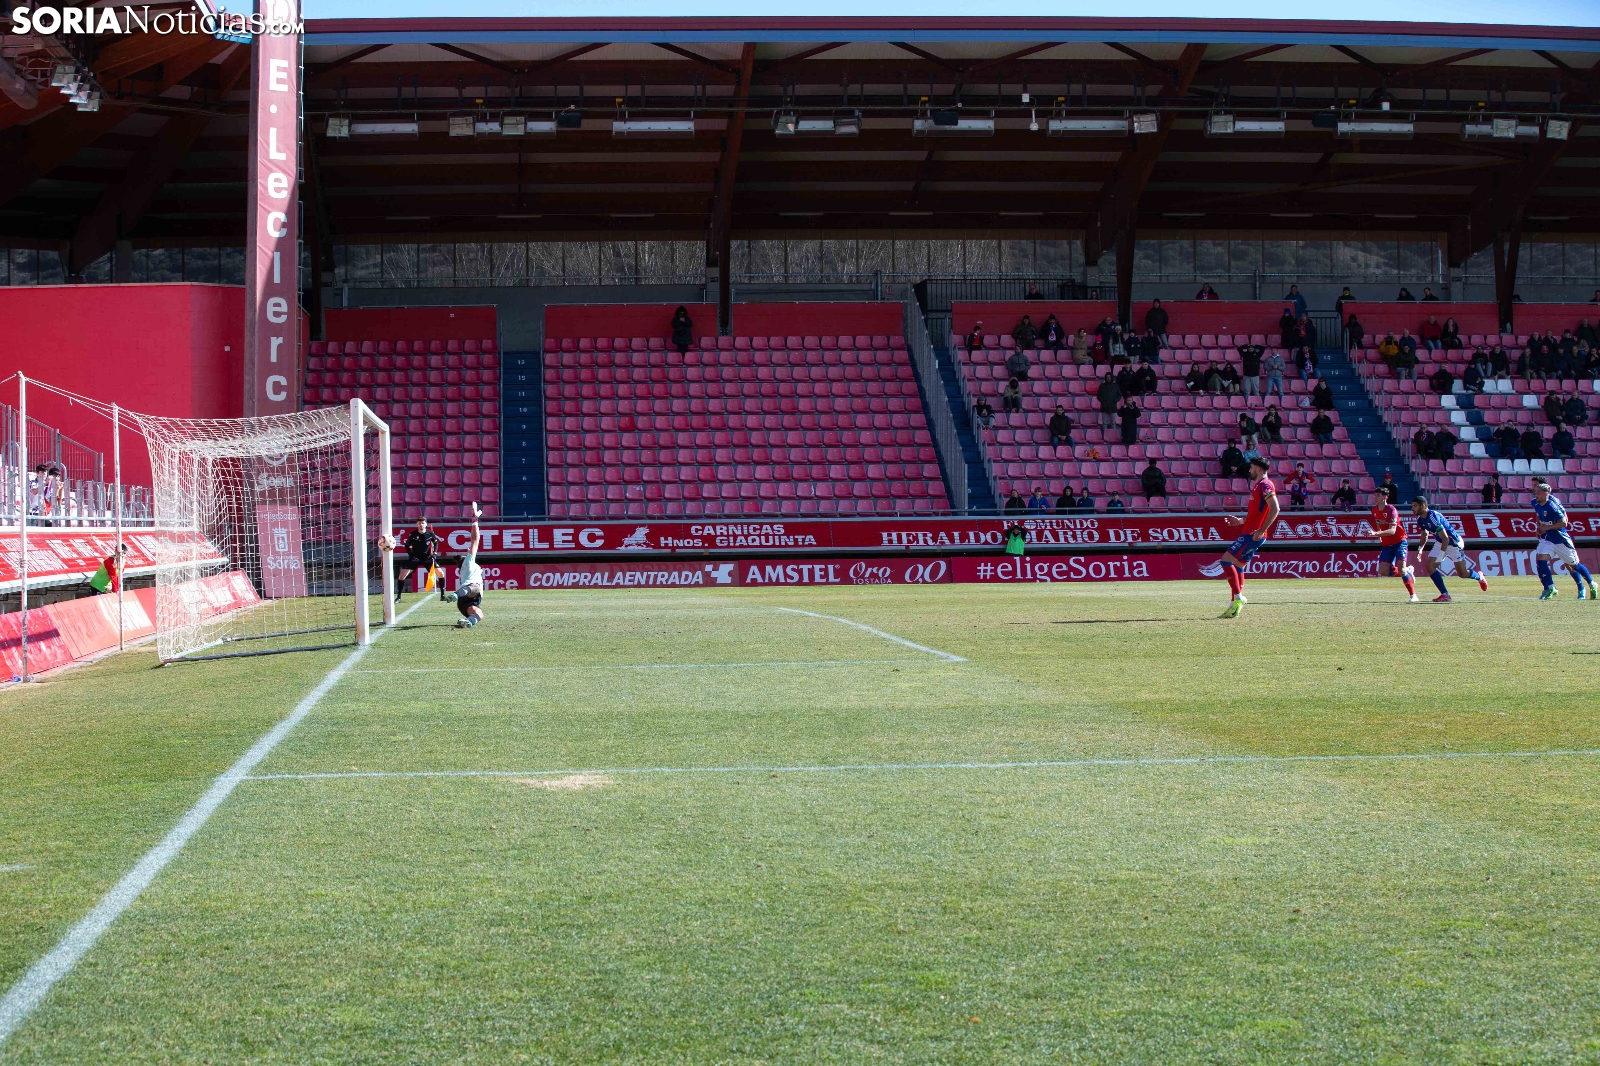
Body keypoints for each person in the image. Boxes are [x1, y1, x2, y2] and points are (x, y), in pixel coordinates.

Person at [1216, 457, 1278, 618]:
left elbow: (1275, 508)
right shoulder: (1258, 486)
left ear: (1258, 469)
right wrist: (1240, 521)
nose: (1249, 470)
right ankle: (1233, 607)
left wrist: (1261, 530)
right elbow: (1257, 513)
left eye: (1251, 467)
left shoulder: (1265, 485)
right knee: (1239, 565)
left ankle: (1238, 598)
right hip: (1249, 531)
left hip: (1253, 534)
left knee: (1226, 561)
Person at [1531, 476, 1598, 600]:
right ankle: (1550, 587)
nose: (1534, 490)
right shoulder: (1535, 501)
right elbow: (1538, 513)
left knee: (1573, 565)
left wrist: (1547, 527)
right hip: (1548, 539)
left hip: (1561, 540)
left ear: (1545, 492)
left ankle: (1590, 583)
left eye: (1536, 488)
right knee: (1540, 560)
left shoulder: (1553, 504)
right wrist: (1539, 526)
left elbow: (1564, 521)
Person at [1411, 496, 1489, 602]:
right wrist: (1420, 548)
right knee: (1430, 566)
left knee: (1462, 574)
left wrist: (1440, 557)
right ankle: (1445, 594)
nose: (1413, 508)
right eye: (1412, 506)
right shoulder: (1421, 520)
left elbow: (1446, 539)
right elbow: (1425, 534)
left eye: (1415, 506)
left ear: (1423, 506)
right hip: (1440, 542)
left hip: (1453, 543)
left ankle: (1479, 576)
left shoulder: (1433, 517)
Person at [1367, 491, 1419, 602]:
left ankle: (1413, 595)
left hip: (1399, 542)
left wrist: (1376, 533)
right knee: (1383, 572)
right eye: (1375, 495)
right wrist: (1379, 534)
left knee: (1401, 570)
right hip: (1387, 544)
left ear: (1385, 497)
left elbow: (1392, 531)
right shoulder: (1374, 510)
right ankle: (1408, 570)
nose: (1375, 497)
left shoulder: (1392, 510)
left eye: (1378, 495)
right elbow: (1378, 523)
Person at [450, 502, 487, 627]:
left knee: (479, 613)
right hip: (468, 592)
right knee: (476, 587)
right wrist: (475, 521)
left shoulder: (466, 568)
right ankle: (456, 594)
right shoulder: (468, 563)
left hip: (467, 601)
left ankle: (469, 621)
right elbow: (475, 539)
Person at [394, 515, 443, 602]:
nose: (421, 525)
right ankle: (399, 597)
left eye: (423, 523)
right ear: (417, 524)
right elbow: (407, 545)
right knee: (401, 576)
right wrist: (411, 556)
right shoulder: (413, 534)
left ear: (426, 524)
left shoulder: (430, 533)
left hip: (427, 558)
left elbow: (435, 542)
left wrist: (435, 553)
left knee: (441, 574)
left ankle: (442, 595)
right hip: (415, 558)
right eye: (419, 523)